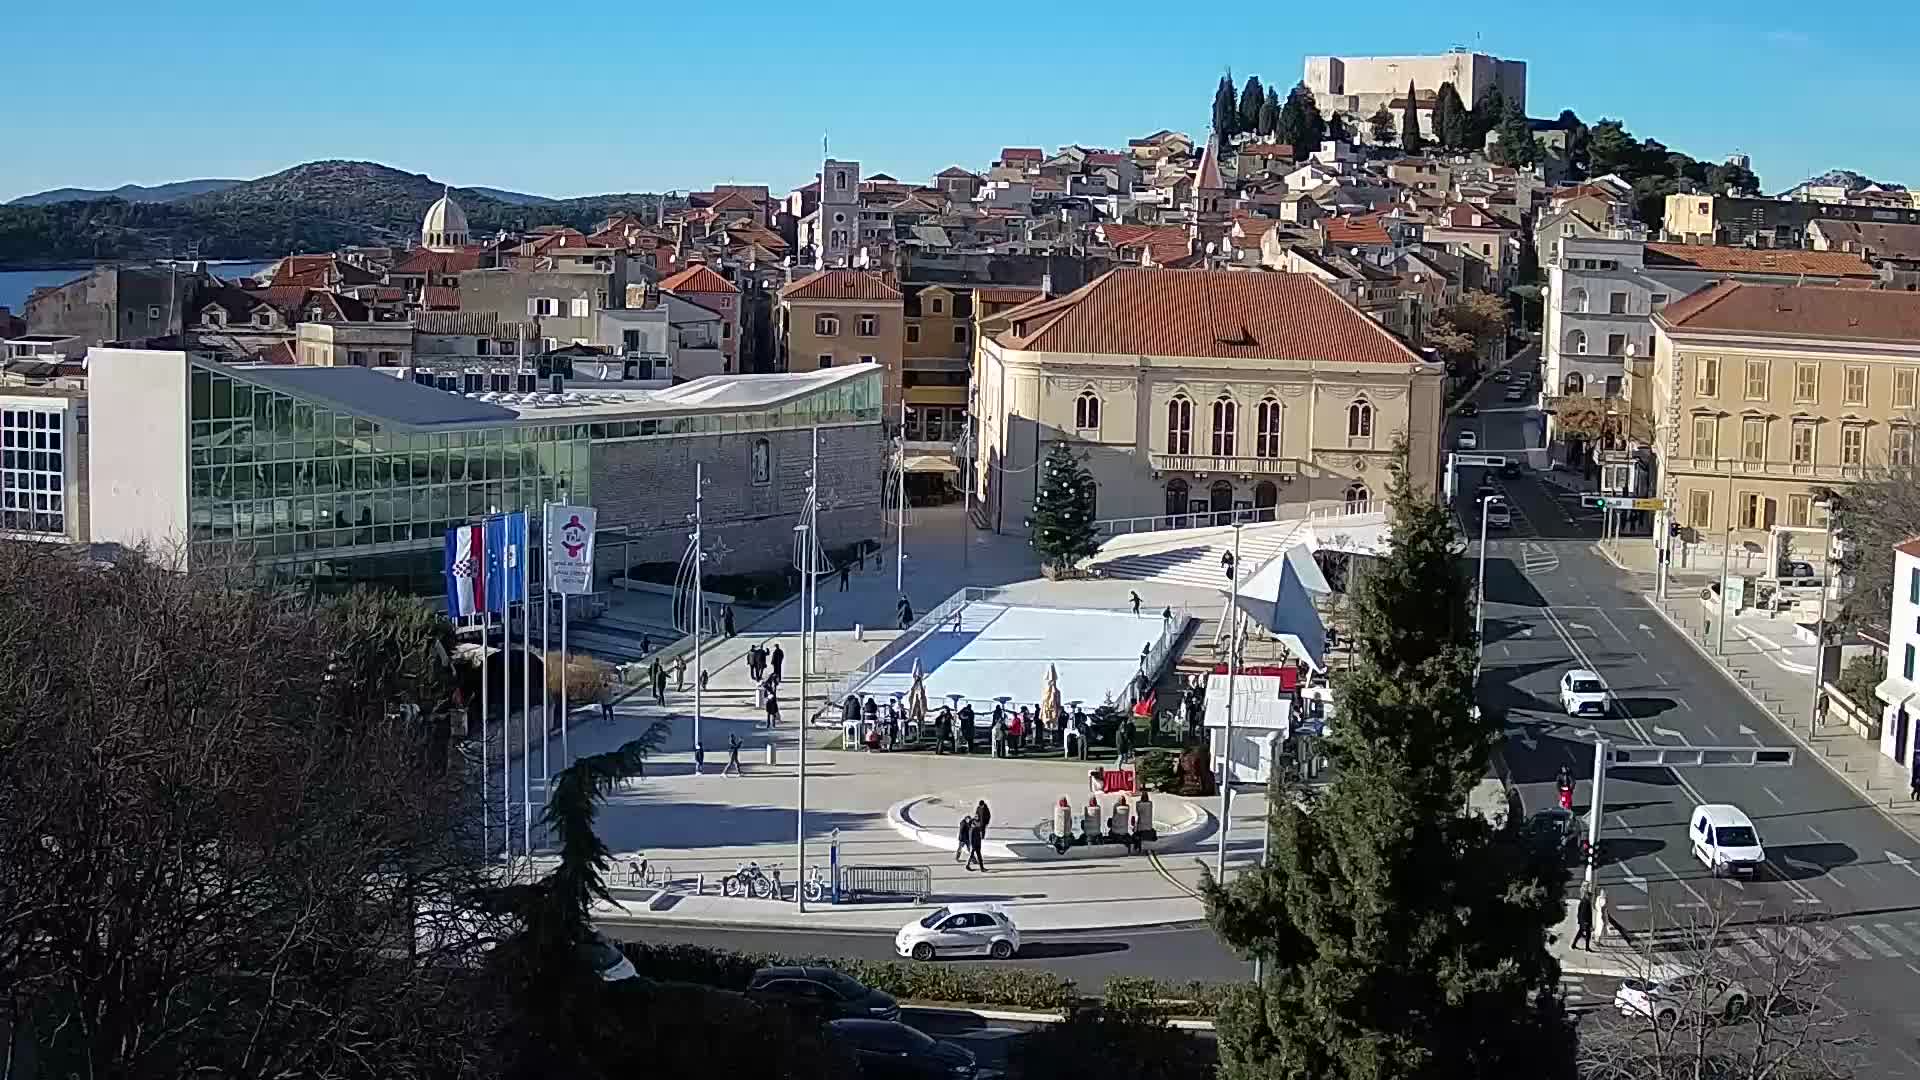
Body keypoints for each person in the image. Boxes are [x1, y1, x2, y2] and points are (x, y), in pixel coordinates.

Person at [970, 800, 992, 871]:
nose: (980, 806)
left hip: (983, 823)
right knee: (974, 852)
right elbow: (976, 814)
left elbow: (989, 815)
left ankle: (982, 837)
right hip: (979, 823)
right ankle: (969, 864)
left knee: (983, 830)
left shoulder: (986, 808)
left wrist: (987, 822)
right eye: (980, 806)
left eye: (981, 805)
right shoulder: (978, 808)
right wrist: (977, 819)